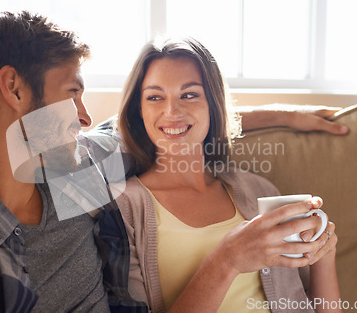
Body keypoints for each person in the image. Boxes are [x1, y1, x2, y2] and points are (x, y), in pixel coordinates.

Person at [0, 11, 346, 312]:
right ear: (15, 89)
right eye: (73, 93)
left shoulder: (69, 177)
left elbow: (171, 125)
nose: (85, 118)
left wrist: (285, 115)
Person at [114, 37, 341, 313]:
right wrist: (227, 260)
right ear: (139, 109)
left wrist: (325, 255)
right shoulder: (123, 209)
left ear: (213, 103)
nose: (171, 111)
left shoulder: (260, 190)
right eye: (154, 97)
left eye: (189, 94)